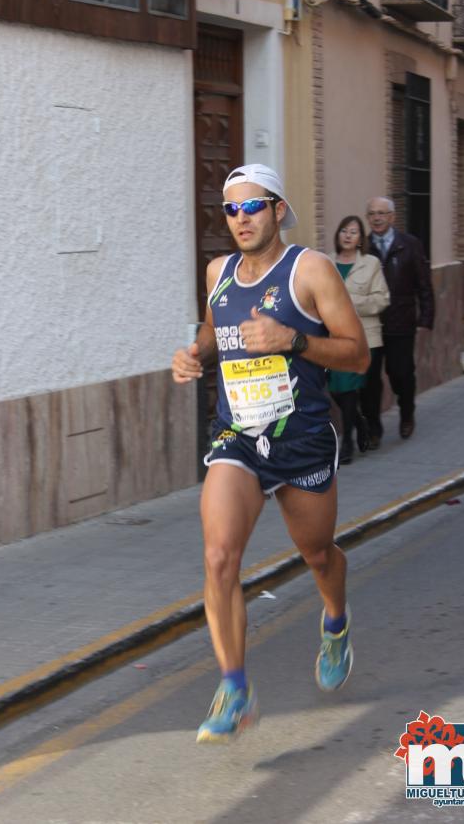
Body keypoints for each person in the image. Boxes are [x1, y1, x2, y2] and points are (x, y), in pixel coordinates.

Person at [171, 163, 370, 743]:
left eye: (252, 206)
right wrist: (195, 355)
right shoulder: (218, 272)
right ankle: (235, 688)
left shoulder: (311, 271)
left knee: (316, 556)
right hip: (238, 437)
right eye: (230, 210)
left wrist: (294, 341)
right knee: (218, 557)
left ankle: (335, 621)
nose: (240, 219)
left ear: (278, 210)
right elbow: (214, 331)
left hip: (301, 438)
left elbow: (357, 356)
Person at [361, 197, 435, 446]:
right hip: (370, 325)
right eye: (372, 214)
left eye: (382, 213)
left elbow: (424, 285)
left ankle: (407, 412)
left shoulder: (410, 245)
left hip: (401, 322)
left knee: (400, 374)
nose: (377, 218)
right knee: (369, 379)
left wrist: (426, 318)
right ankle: (373, 428)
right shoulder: (363, 247)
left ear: (392, 217)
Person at [329, 215, 389, 463]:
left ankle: (348, 443)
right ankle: (361, 424)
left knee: (349, 387)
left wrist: (351, 303)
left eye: (353, 232)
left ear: (360, 239)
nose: (347, 235)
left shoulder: (371, 264)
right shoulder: (326, 263)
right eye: (344, 230)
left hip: (362, 337)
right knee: (335, 389)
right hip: (332, 338)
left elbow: (382, 299)